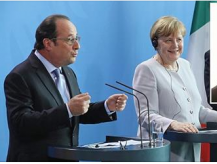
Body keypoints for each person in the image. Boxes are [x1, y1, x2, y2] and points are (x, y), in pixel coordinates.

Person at [4, 14, 128, 162]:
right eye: (70, 39)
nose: (77, 45)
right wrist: (68, 109)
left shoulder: (68, 72)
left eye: (77, 38)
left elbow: (77, 113)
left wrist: (107, 107)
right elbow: (22, 123)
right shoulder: (20, 76)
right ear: (48, 43)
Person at [132, 16, 217, 162]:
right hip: (163, 148)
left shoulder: (185, 65)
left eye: (179, 39)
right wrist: (173, 124)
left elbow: (196, 109)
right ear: (155, 43)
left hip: (192, 144)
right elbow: (145, 115)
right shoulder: (146, 69)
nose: (175, 45)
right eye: (168, 40)